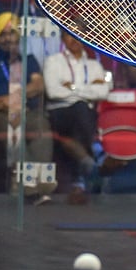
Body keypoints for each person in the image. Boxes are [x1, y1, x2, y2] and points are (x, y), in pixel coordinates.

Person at [0, 12, 54, 204]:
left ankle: (39, 183)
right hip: (0, 113)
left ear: (19, 36)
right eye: (3, 35)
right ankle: (32, 186)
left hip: (26, 111)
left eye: (12, 33)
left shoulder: (29, 60)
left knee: (41, 128)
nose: (8, 39)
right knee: (13, 129)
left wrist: (12, 97)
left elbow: (38, 85)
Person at [43, 32, 110, 204]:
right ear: (63, 39)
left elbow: (104, 92)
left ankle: (86, 170)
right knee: (81, 108)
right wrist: (87, 90)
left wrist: (72, 88)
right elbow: (53, 92)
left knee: (80, 114)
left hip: (83, 116)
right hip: (59, 113)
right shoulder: (53, 61)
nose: (74, 39)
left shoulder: (95, 65)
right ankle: (96, 152)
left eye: (79, 35)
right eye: (69, 35)